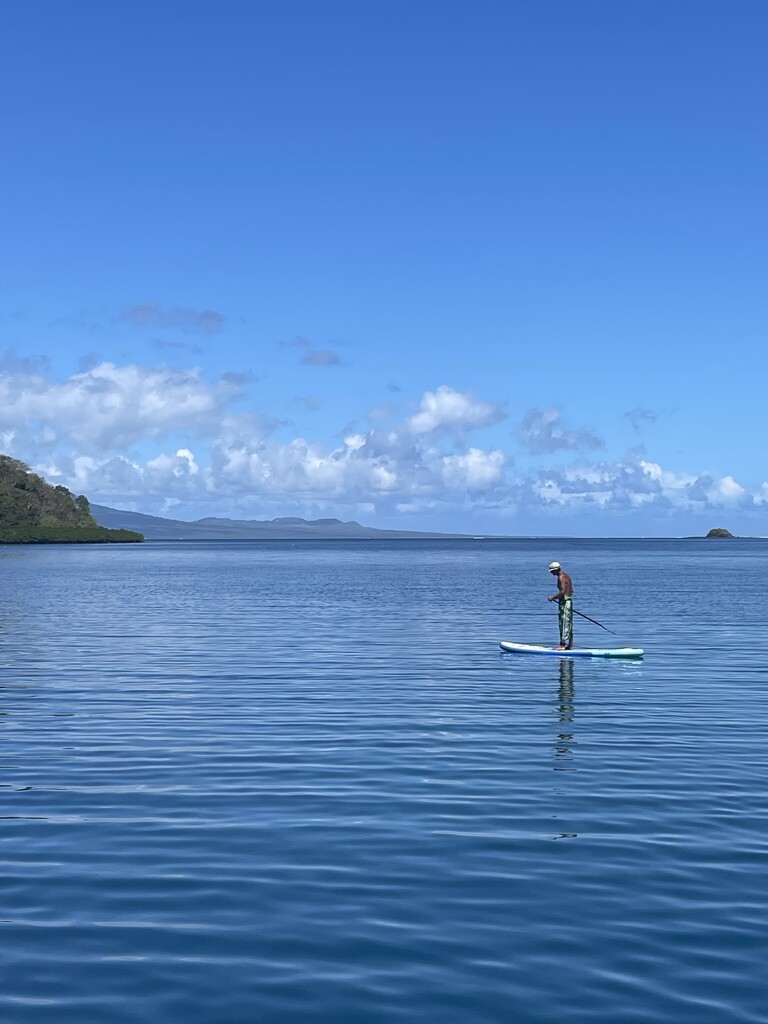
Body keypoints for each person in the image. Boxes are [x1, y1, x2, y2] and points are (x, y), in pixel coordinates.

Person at [547, 561, 574, 650]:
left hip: (565, 602)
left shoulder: (561, 578)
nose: (551, 572)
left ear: (555, 570)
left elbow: (562, 591)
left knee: (563, 623)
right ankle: (570, 645)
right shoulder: (566, 576)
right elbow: (571, 590)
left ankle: (562, 645)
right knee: (569, 623)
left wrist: (552, 597)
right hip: (569, 601)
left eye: (552, 571)